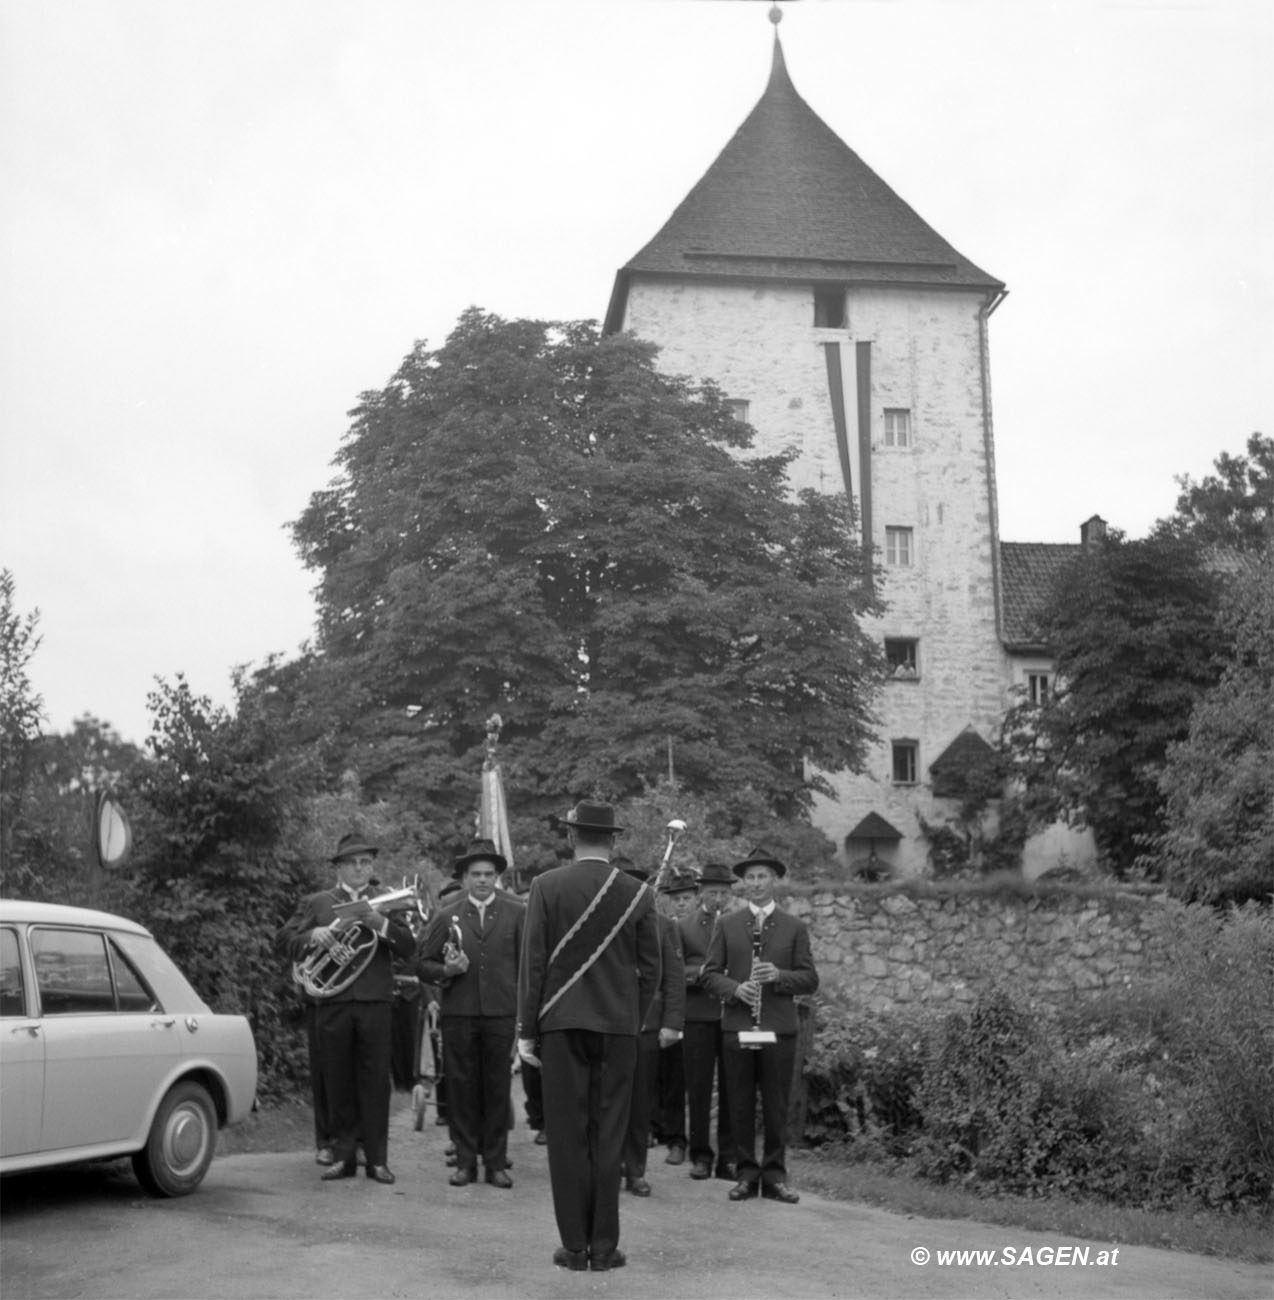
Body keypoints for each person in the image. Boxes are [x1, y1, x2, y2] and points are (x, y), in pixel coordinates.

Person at [517, 801, 661, 1273]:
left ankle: (573, 1247)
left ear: (571, 837)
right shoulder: (637, 894)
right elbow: (651, 971)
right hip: (618, 1027)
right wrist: (630, 1017)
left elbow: (533, 965)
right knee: (609, 1135)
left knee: (567, 1137)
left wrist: (526, 1030)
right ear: (613, 840)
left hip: (559, 1026)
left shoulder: (545, 886)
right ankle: (605, 1248)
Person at [278, 832, 417, 1185]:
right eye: (352, 863)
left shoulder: (386, 901)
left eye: (365, 862)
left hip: (375, 1002)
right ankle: (343, 1157)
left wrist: (380, 924)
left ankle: (377, 1160)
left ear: (372, 867)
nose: (359, 868)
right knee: (337, 1081)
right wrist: (314, 937)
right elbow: (284, 939)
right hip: (333, 1002)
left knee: (375, 1083)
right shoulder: (319, 903)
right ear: (338, 868)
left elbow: (408, 947)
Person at [701, 849, 818, 1205]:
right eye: (749, 878)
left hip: (777, 1029)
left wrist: (779, 976)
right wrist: (735, 989)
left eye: (762, 877)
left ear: (774, 880)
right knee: (738, 1103)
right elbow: (708, 974)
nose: (755, 884)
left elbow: (810, 979)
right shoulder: (728, 924)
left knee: (776, 1105)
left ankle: (775, 1175)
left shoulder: (795, 927)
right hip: (738, 1026)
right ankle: (746, 1174)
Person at [418, 838, 524, 1189]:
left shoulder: (516, 911)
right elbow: (422, 964)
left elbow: (529, 965)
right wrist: (446, 972)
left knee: (496, 1087)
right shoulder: (447, 912)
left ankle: (495, 1163)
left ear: (497, 876)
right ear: (464, 877)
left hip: (500, 1014)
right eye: (475, 874)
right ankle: (465, 1162)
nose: (482, 880)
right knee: (461, 1087)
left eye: (488, 874)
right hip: (459, 1013)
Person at [617, 858, 685, 1197]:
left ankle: (635, 1170)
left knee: (640, 1103)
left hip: (645, 1025)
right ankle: (605, 1168)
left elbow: (673, 977)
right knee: (604, 1102)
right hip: (606, 1025)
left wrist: (671, 1023)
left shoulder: (661, 924)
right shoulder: (597, 924)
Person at [678, 861, 738, 1181]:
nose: (718, 898)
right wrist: (703, 974)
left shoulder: (740, 923)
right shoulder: (684, 926)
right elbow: (675, 971)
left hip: (731, 1016)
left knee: (732, 1087)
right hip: (698, 1015)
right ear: (701, 892)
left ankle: (727, 1157)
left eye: (724, 893)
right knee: (699, 1088)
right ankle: (700, 1154)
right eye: (713, 892)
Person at [652, 870, 694, 1164]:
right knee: (650, 1078)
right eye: (675, 899)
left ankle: (676, 1137)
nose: (681, 904)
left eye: (686, 898)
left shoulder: (693, 927)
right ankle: (651, 1128)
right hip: (651, 1013)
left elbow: (678, 975)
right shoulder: (657, 926)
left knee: (676, 1080)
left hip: (680, 1013)